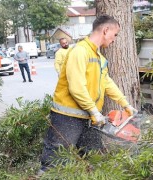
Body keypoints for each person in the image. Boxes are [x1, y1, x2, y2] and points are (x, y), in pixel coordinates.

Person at [38, 14, 138, 174]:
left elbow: (107, 82)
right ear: (105, 30)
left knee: (94, 157)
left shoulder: (99, 57)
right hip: (66, 117)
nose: (115, 38)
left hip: (88, 117)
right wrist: (94, 111)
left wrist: (125, 103)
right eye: (115, 34)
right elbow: (76, 87)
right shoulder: (80, 51)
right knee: (56, 160)